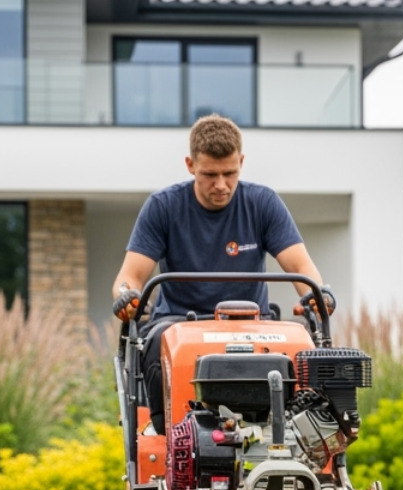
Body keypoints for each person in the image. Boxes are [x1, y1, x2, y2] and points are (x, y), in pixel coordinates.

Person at [110, 114, 331, 432]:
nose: (221, 185)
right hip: (178, 324)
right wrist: (125, 297)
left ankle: (295, 440)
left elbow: (300, 268)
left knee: (301, 344)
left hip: (252, 325)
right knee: (157, 342)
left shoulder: (262, 203)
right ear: (190, 165)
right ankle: (173, 436)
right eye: (209, 175)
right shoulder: (163, 207)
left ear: (241, 161)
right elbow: (128, 278)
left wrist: (317, 295)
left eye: (230, 173)